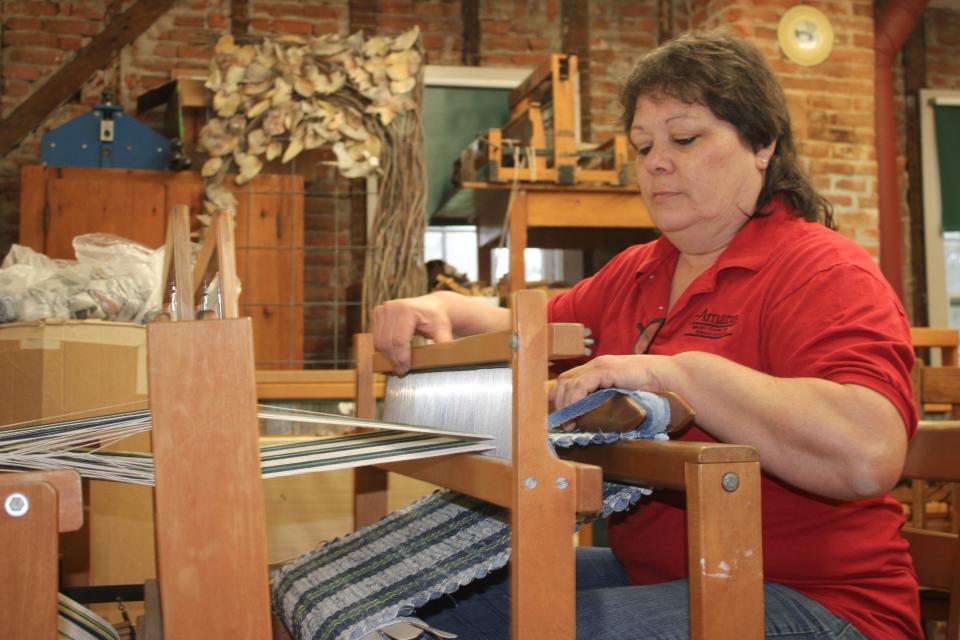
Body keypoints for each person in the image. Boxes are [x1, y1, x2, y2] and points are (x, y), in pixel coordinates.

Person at [373, 30, 921, 640]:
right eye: (643, 146)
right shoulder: (639, 270)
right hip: (660, 575)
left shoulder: (821, 271)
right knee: (403, 601)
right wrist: (442, 306)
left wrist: (676, 372)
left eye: (685, 138)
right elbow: (532, 330)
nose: (657, 161)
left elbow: (868, 455)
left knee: (541, 627)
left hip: (822, 603)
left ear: (762, 143)